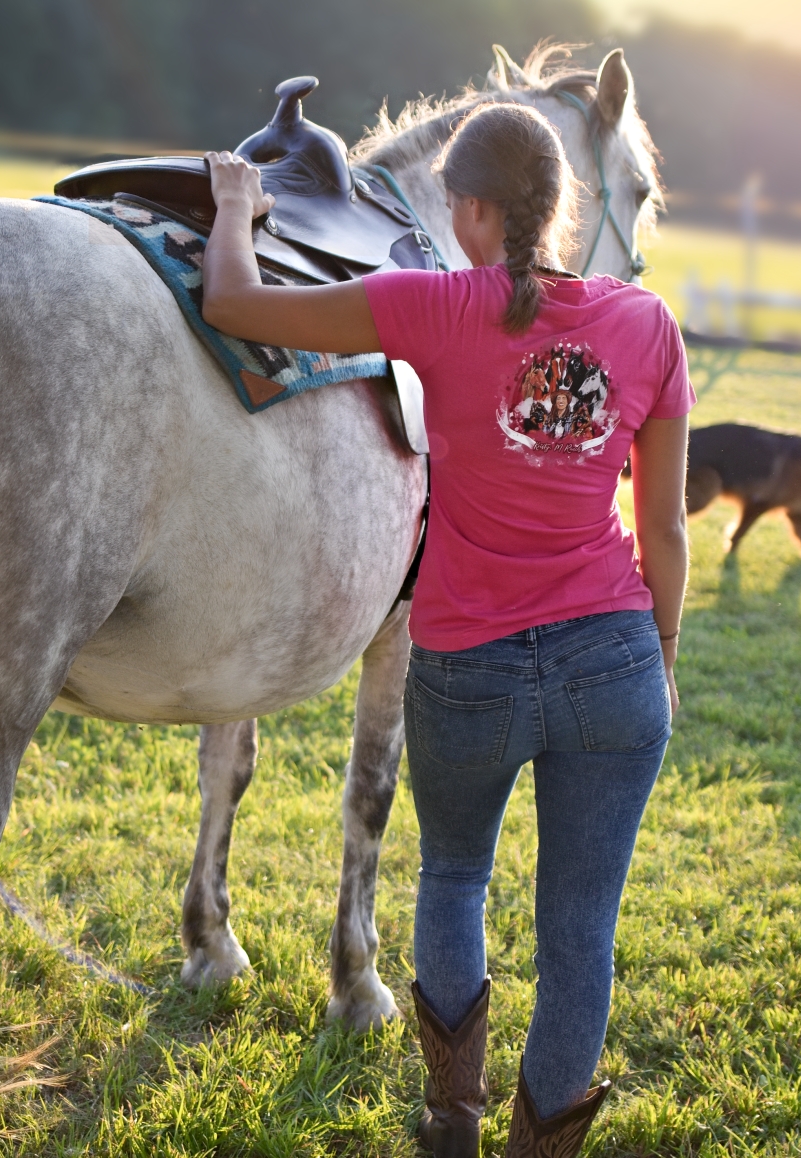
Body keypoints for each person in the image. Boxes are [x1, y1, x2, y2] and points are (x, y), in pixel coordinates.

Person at [200, 101, 690, 1158]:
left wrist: (237, 204)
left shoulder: (427, 307)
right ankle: (539, 1147)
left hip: (467, 664)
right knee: (580, 931)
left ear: (467, 212)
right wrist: (660, 658)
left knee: (454, 878)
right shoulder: (647, 326)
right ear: (557, 208)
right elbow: (662, 526)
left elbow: (235, 303)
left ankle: (450, 1120)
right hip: (612, 660)